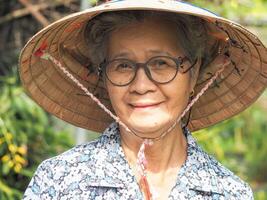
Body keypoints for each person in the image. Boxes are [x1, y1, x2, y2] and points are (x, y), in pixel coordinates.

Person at [19, 0, 267, 199]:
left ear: (193, 73)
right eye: (123, 65)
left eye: (161, 63)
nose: (141, 85)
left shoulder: (228, 192)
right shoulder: (60, 181)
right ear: (104, 77)